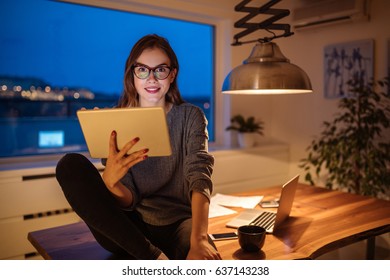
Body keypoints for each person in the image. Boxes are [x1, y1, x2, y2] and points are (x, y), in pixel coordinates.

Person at [55, 34, 221, 260]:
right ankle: (154, 258)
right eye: (142, 70)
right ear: (132, 74)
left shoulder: (190, 116)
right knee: (70, 165)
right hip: (131, 231)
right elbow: (128, 200)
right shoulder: (115, 121)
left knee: (204, 256)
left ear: (172, 74)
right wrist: (111, 181)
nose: (151, 78)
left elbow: (200, 175)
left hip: (180, 224)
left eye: (160, 70)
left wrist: (199, 239)